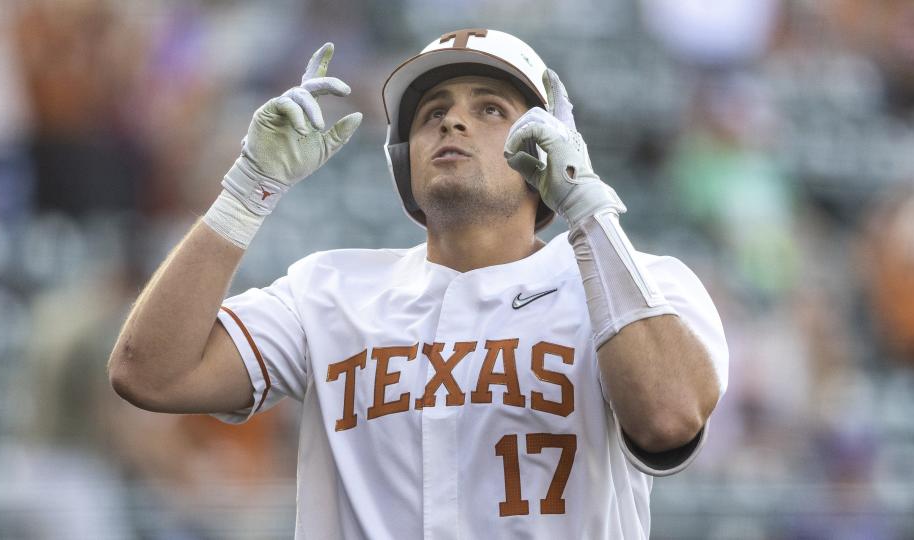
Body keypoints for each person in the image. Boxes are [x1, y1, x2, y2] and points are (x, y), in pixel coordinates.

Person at [109, 28, 728, 539]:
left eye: (490, 108)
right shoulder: (328, 288)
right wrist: (247, 190)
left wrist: (587, 202)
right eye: (434, 112)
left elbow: (668, 418)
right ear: (404, 161)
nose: (453, 122)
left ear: (548, 148)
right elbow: (149, 372)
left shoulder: (638, 283)